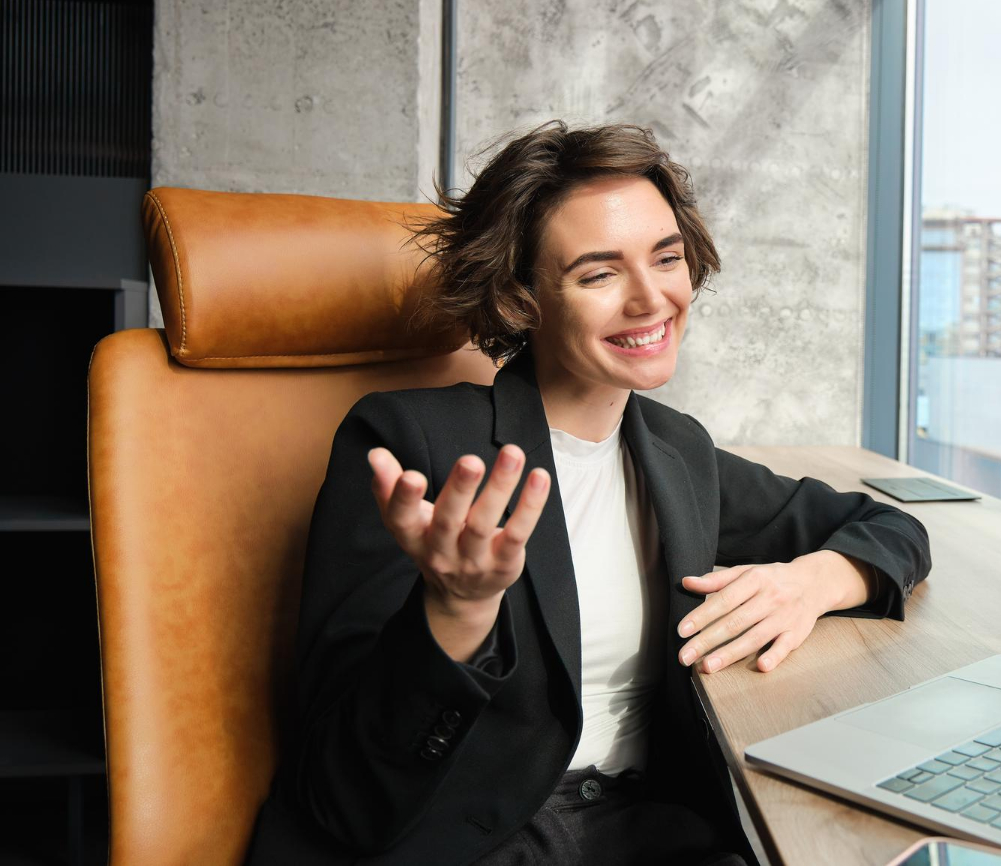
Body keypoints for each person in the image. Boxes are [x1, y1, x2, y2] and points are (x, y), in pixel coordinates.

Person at [243, 121, 932, 866]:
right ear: (519, 297)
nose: (651, 299)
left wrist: (811, 582)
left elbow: (888, 529)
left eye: (667, 258)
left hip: (646, 829)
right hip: (471, 842)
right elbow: (340, 791)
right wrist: (456, 615)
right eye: (599, 274)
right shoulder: (413, 445)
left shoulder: (676, 452)